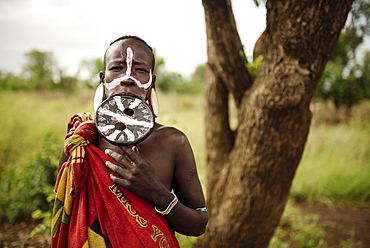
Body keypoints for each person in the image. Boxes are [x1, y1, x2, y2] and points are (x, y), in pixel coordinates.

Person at [51, 35, 208, 248]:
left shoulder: (172, 142)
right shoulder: (80, 142)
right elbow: (67, 211)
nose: (127, 78)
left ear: (151, 81)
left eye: (140, 70)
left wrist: (158, 194)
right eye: (117, 68)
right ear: (102, 78)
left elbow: (198, 225)